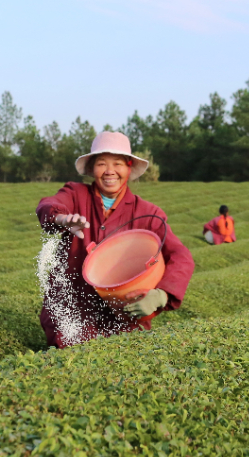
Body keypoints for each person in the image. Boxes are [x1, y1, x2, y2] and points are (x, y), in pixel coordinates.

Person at [36, 131, 194, 348]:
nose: (110, 171)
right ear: (92, 168)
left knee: (121, 370)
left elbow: (181, 256)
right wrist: (62, 218)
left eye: (118, 164)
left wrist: (161, 296)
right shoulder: (75, 195)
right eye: (102, 164)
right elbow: (48, 205)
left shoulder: (148, 213)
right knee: (75, 367)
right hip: (73, 311)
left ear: (129, 167)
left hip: (125, 315)